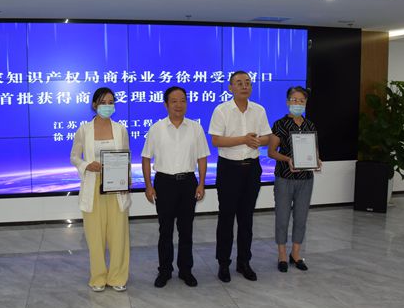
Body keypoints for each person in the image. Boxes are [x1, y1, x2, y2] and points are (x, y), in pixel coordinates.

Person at [142, 86, 210, 288]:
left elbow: (202, 158)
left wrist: (201, 183)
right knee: (165, 230)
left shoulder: (195, 128)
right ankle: (164, 271)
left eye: (183, 100)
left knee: (186, 230)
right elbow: (146, 158)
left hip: (188, 183)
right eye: (174, 101)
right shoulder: (156, 128)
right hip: (164, 183)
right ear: (166, 104)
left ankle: (186, 270)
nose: (179, 105)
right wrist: (148, 186)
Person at [208, 71, 272, 283]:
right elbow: (216, 141)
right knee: (226, 218)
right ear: (230, 88)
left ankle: (244, 262)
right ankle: (223, 263)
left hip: (251, 169)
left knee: (246, 218)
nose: (244, 86)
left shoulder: (259, 110)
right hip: (229, 169)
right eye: (239, 83)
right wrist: (243, 139)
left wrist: (258, 141)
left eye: (247, 83)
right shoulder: (221, 110)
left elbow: (267, 137)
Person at [70, 87, 131, 292]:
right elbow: (74, 156)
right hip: (93, 186)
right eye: (103, 102)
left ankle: (117, 277)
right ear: (94, 104)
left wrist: (127, 179)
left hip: (115, 186)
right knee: (95, 235)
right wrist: (87, 165)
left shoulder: (120, 129)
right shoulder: (84, 130)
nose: (107, 106)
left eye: (111, 102)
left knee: (118, 233)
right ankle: (98, 277)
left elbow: (126, 156)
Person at [268, 86, 321, 273]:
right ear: (287, 102)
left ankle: (296, 253)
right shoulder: (279, 124)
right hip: (285, 177)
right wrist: (288, 159)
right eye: (294, 100)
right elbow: (271, 152)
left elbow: (314, 150)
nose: (297, 103)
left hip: (306, 178)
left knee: (301, 218)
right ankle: (282, 254)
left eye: (301, 100)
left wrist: (317, 160)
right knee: (282, 217)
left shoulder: (310, 125)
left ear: (306, 103)